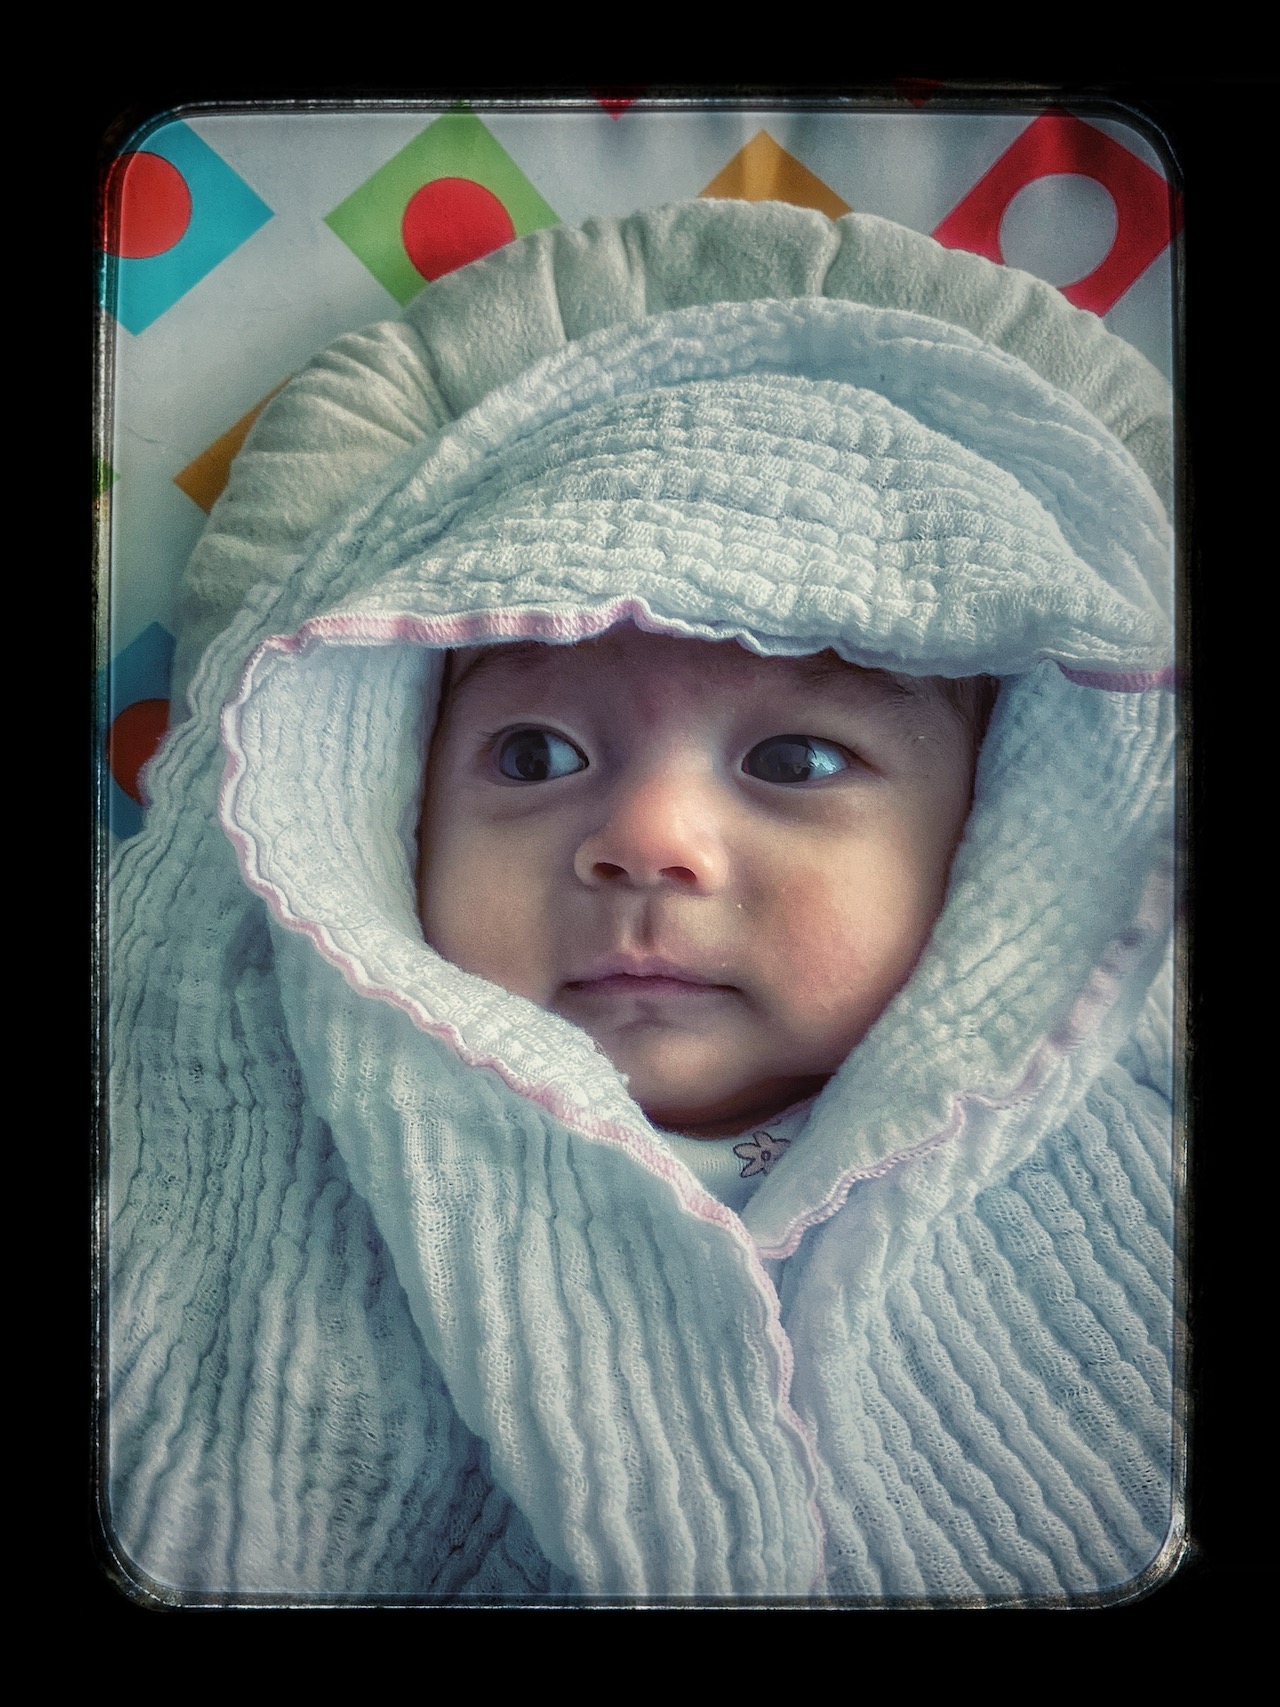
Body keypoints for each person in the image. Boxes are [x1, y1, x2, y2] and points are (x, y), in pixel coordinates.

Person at [107, 203, 1178, 1603]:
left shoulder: (1139, 1170)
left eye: (795, 761)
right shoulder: (205, 1164)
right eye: (534, 756)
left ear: (999, 846)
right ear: (372, 806)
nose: (646, 842)